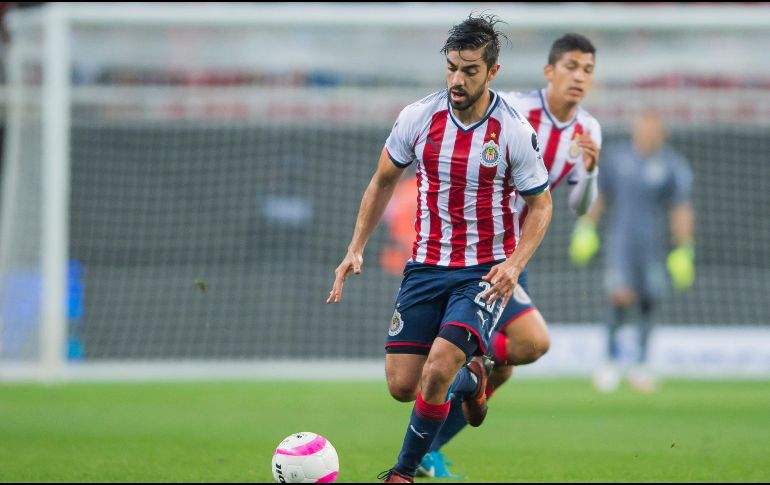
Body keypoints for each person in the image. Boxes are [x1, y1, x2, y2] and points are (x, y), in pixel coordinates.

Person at [327, 14, 552, 483]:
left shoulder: (512, 130)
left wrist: (514, 264)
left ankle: (402, 472)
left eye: (469, 70)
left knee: (437, 369)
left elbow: (542, 205)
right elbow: (382, 181)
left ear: (492, 72)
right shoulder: (418, 117)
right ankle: (473, 381)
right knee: (402, 386)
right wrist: (355, 248)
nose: (457, 79)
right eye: (451, 67)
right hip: (425, 268)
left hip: (483, 273)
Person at [417, 33, 602, 479]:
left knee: (503, 370)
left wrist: (591, 172)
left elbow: (579, 206)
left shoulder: (588, 130)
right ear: (550, 71)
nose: (579, 77)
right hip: (481, 250)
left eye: (588, 70)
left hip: (516, 256)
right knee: (532, 343)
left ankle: (427, 445)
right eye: (572, 66)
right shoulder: (514, 111)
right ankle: (458, 364)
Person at [570, 109, 695, 393]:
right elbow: (600, 194)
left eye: (653, 129)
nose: (648, 134)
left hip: (652, 245)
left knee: (649, 300)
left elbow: (681, 207)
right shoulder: (617, 159)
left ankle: (642, 364)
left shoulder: (672, 165)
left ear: (662, 133)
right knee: (619, 297)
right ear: (635, 130)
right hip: (621, 242)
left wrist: (684, 247)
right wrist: (586, 228)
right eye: (643, 128)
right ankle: (610, 361)